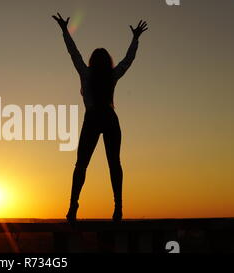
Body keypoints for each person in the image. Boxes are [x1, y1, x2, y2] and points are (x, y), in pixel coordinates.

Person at [52, 13, 148, 222]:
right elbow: (128, 60)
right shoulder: (111, 76)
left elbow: (73, 53)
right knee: (114, 163)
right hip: (109, 119)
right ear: (107, 63)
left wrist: (64, 31)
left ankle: (73, 205)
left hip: (93, 119)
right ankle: (118, 207)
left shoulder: (86, 74)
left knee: (81, 165)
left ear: (93, 62)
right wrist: (135, 38)